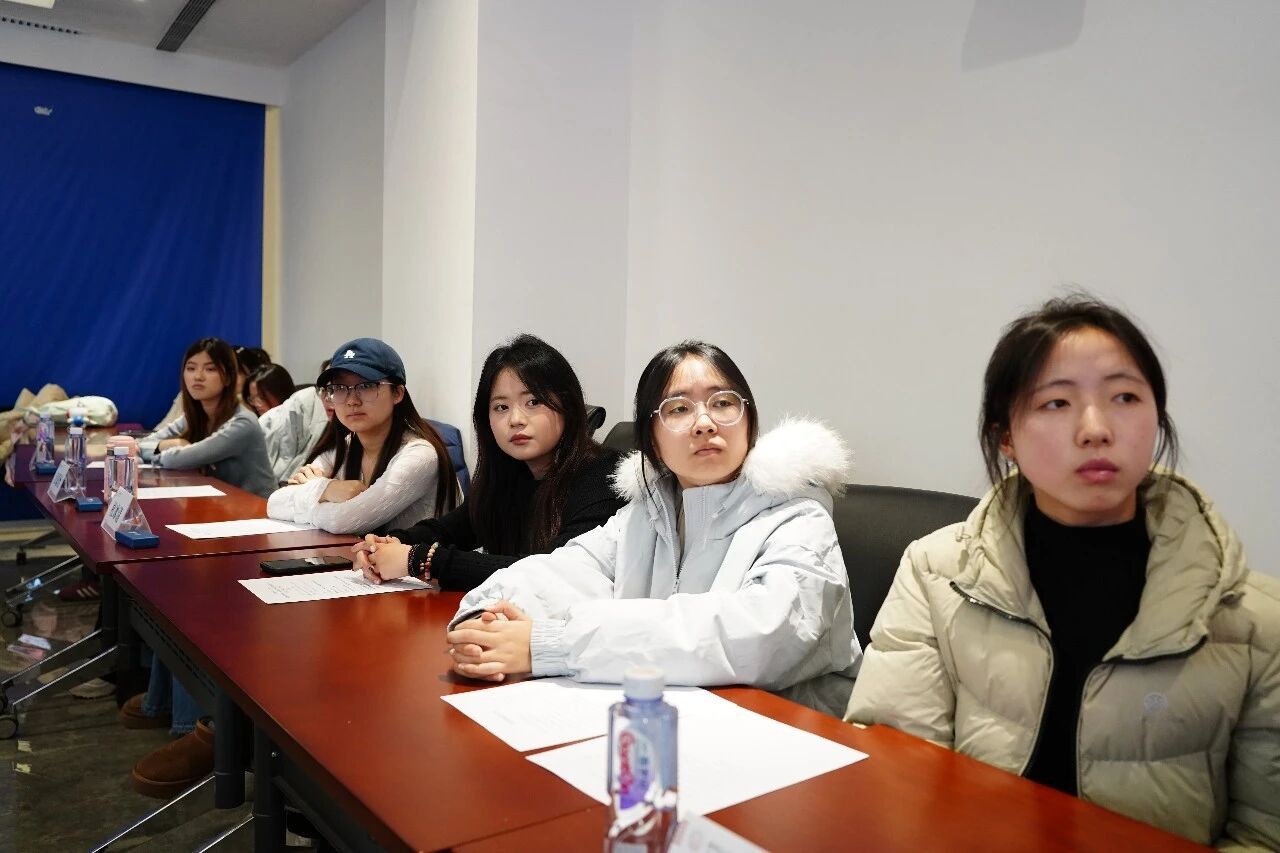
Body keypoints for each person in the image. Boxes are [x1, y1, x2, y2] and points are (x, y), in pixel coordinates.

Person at [845, 295, 1280, 849]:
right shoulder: (935, 571)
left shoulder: (1255, 620)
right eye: (1055, 402)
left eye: (1125, 397)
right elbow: (894, 771)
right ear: (1005, 436)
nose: (1095, 429)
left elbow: (1264, 832)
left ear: (1156, 418)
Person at [444, 341, 861, 717]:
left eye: (723, 403)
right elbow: (564, 569)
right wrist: (485, 618)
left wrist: (551, 644)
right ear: (651, 438)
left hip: (793, 731)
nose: (704, 422)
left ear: (749, 419)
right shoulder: (646, 514)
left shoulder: (798, 517)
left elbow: (764, 636)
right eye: (678, 409)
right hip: (677, 716)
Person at [355, 334, 625, 590]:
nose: (515, 420)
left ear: (568, 405)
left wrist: (420, 560)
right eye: (501, 407)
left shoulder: (604, 476)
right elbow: (452, 528)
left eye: (533, 402)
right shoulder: (510, 474)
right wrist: (389, 543)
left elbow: (552, 572)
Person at [266, 338, 458, 533]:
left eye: (366, 386)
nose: (352, 401)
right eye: (339, 388)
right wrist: (326, 488)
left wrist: (314, 489)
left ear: (397, 393)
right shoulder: (347, 446)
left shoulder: (420, 456)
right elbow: (274, 503)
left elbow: (342, 521)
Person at [138, 337, 275, 498]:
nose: (198, 376)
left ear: (228, 377)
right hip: (220, 503)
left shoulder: (243, 422)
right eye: (191, 368)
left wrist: (157, 450)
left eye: (210, 369)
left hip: (256, 508)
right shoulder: (196, 416)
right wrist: (165, 445)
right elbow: (140, 445)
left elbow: (177, 460)